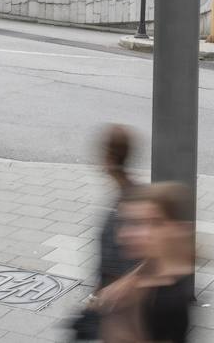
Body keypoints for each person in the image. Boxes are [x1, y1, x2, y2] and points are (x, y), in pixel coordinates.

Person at [96, 182, 193, 343]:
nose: (124, 234)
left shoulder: (169, 301)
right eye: (124, 222)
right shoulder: (158, 265)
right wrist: (128, 282)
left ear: (173, 229)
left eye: (139, 224)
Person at [74, 125, 140, 340]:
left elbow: (117, 264)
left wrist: (97, 298)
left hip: (120, 308)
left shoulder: (125, 205)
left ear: (110, 158)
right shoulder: (129, 193)